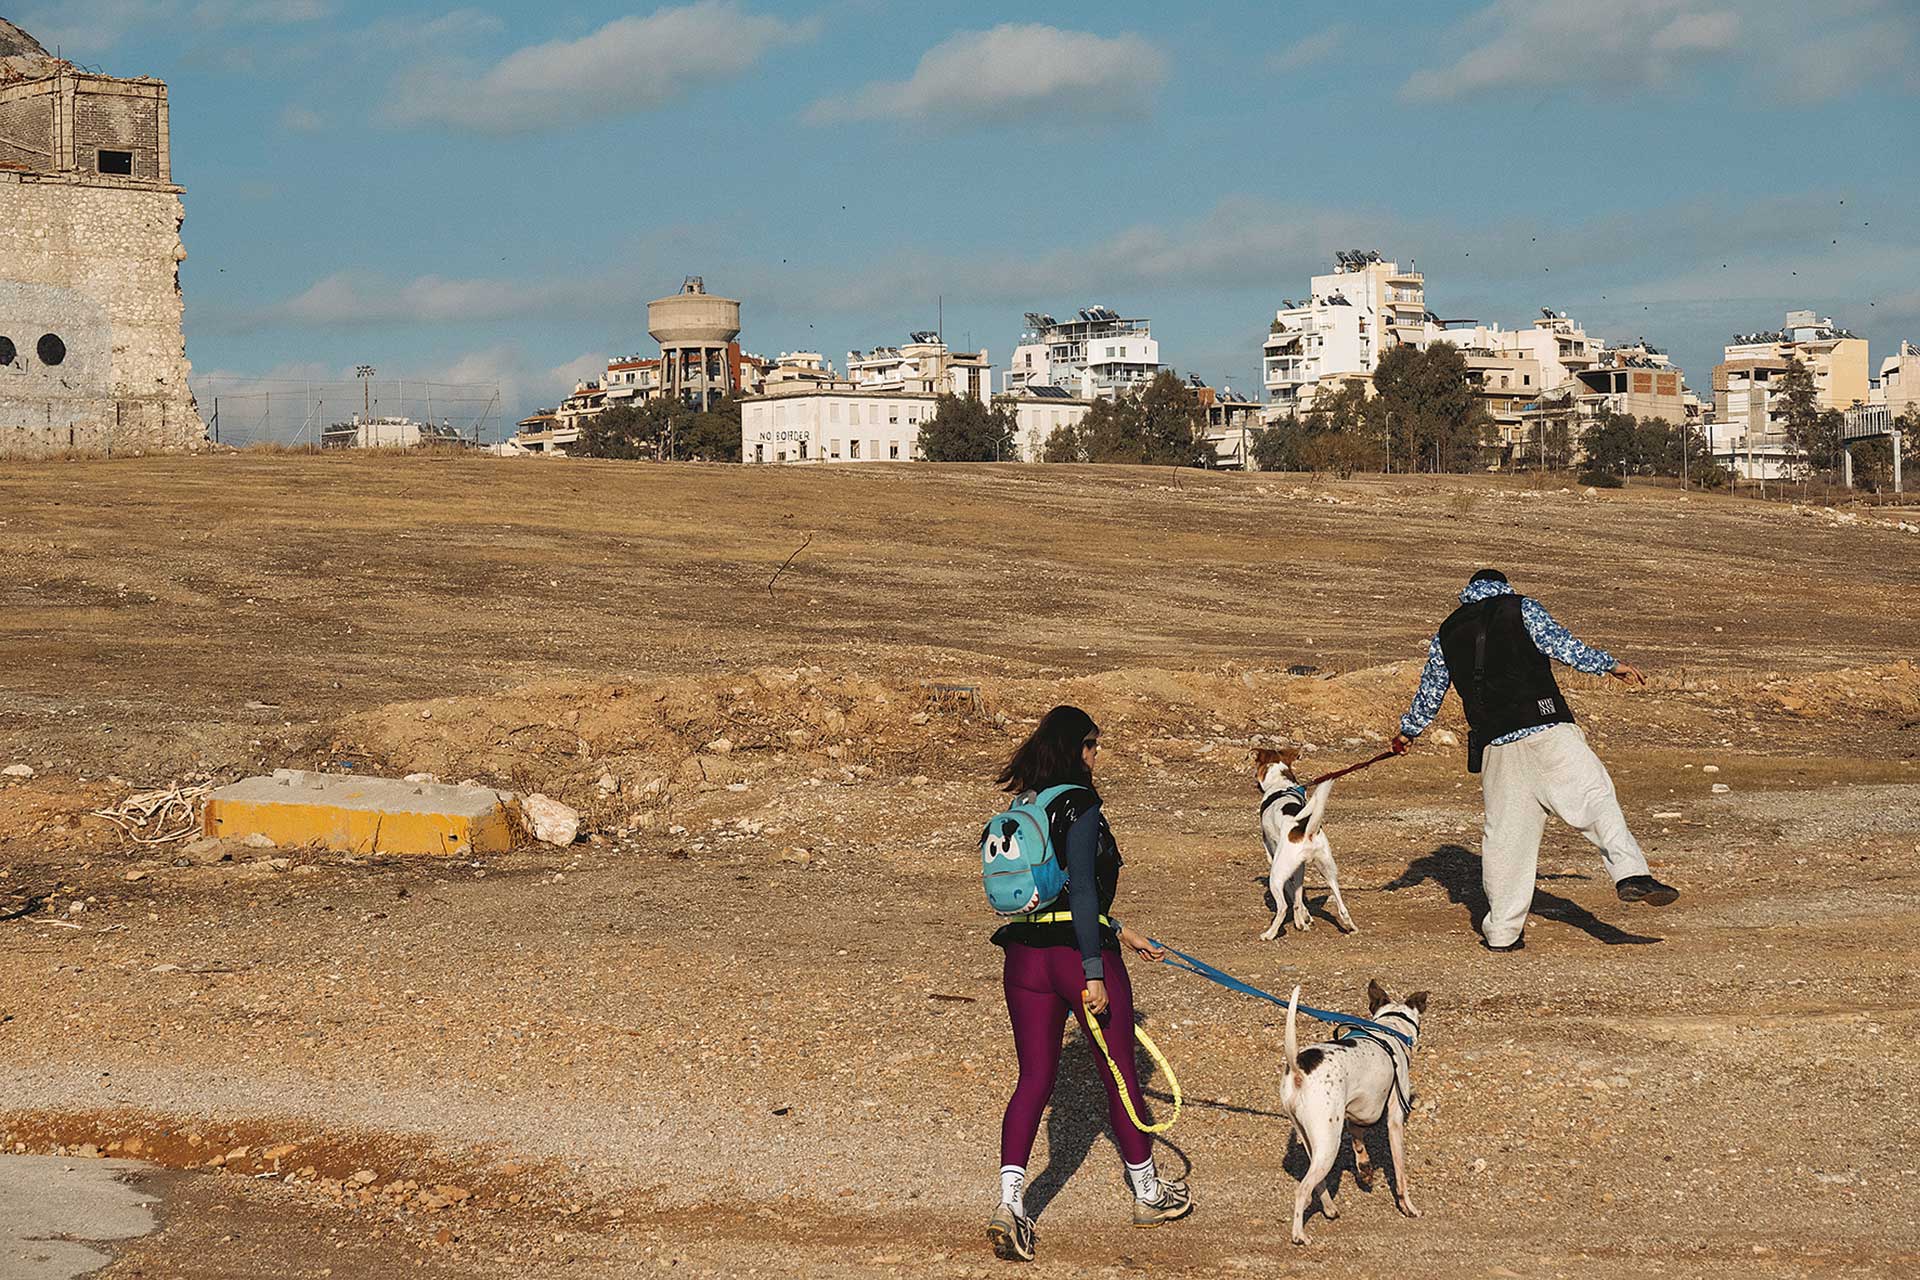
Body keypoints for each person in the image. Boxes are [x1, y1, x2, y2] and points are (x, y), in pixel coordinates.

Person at [986, 705, 1192, 1263]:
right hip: (1078, 961)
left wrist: (1121, 930)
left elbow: (1054, 891)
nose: (1097, 755)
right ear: (1076, 748)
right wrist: (1096, 970)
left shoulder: (1024, 804)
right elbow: (1080, 896)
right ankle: (1147, 1192)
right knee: (1122, 1076)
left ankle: (1010, 1204)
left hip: (1023, 960)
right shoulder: (1080, 804)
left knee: (1033, 1078)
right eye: (1093, 744)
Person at [1390, 570, 1679, 952]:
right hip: (1547, 731)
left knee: (1507, 841)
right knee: (1595, 800)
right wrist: (1610, 664)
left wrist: (1408, 732)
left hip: (1496, 749)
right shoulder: (1520, 608)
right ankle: (1630, 874)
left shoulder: (1447, 632)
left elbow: (1430, 691)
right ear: (1502, 586)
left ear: (1468, 594)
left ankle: (1502, 933)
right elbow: (1563, 646)